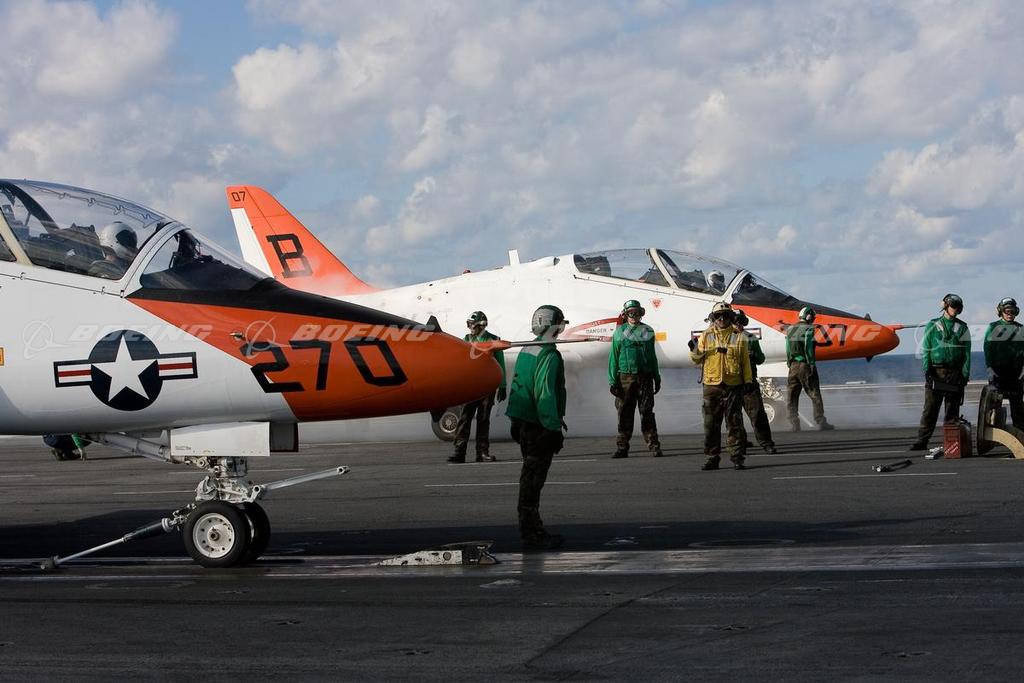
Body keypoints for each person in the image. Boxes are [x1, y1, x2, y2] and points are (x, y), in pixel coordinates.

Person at [506, 305, 568, 551]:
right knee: (532, 483)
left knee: (528, 480)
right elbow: (545, 393)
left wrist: (515, 420)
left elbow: (519, 385)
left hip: (523, 423)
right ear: (554, 325)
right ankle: (532, 534)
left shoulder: (527, 349)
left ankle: (532, 530)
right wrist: (553, 428)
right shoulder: (549, 354)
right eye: (561, 323)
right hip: (538, 427)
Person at [689, 301, 752, 470]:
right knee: (710, 425)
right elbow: (696, 359)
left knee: (734, 423)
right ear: (713, 318)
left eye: (725, 316)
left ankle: (737, 457)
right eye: (718, 316)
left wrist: (748, 381)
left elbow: (745, 361)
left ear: (731, 317)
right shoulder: (706, 335)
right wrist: (694, 349)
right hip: (712, 386)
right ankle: (712, 457)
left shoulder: (739, 336)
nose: (722, 319)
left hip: (733, 384)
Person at [910, 293, 972, 450]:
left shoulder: (962, 327)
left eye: (958, 307)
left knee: (952, 411)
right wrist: (927, 371)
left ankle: (951, 443)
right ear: (945, 306)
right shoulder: (932, 325)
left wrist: (965, 375)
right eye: (953, 306)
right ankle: (922, 440)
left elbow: (966, 353)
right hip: (936, 372)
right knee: (930, 409)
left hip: (954, 374)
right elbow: (926, 349)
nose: (955, 310)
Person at [448, 311, 507, 463]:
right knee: (464, 419)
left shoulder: (493, 340)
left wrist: (502, 385)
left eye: (472, 325)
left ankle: (482, 452)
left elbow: (500, 364)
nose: (470, 328)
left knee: (483, 420)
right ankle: (459, 452)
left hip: (487, 387)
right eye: (469, 324)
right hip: (470, 386)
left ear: (481, 325)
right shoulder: (465, 340)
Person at [608, 299, 664, 458]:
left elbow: (652, 357)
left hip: (645, 377)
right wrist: (612, 381)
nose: (634, 316)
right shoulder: (619, 332)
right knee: (624, 413)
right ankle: (622, 448)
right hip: (625, 378)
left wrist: (657, 377)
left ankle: (654, 445)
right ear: (626, 315)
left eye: (637, 313)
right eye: (631, 313)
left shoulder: (648, 331)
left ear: (641, 314)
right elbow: (613, 358)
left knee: (647, 412)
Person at [729, 310, 778, 454]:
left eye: (741, 321)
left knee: (758, 414)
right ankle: (740, 443)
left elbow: (761, 359)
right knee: (734, 417)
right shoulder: (725, 338)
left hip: (748, 382)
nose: (738, 324)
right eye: (736, 321)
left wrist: (754, 355)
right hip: (731, 383)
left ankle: (766, 443)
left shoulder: (750, 338)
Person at [785, 307, 835, 431]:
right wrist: (811, 363)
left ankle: (794, 423)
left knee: (792, 396)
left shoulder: (790, 329)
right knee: (814, 393)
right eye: (812, 316)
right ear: (808, 316)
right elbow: (808, 347)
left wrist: (789, 363)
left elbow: (787, 348)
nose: (813, 319)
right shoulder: (809, 328)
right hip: (805, 365)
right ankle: (820, 421)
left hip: (793, 366)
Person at [983, 297, 1024, 429]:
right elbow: (988, 347)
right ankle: (994, 432)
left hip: (1016, 373)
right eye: (1007, 311)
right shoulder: (993, 327)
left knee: (1017, 405)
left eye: (1013, 311)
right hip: (998, 372)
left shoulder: (1020, 328)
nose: (1010, 314)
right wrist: (989, 367)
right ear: (1001, 311)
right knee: (995, 405)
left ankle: (1020, 432)